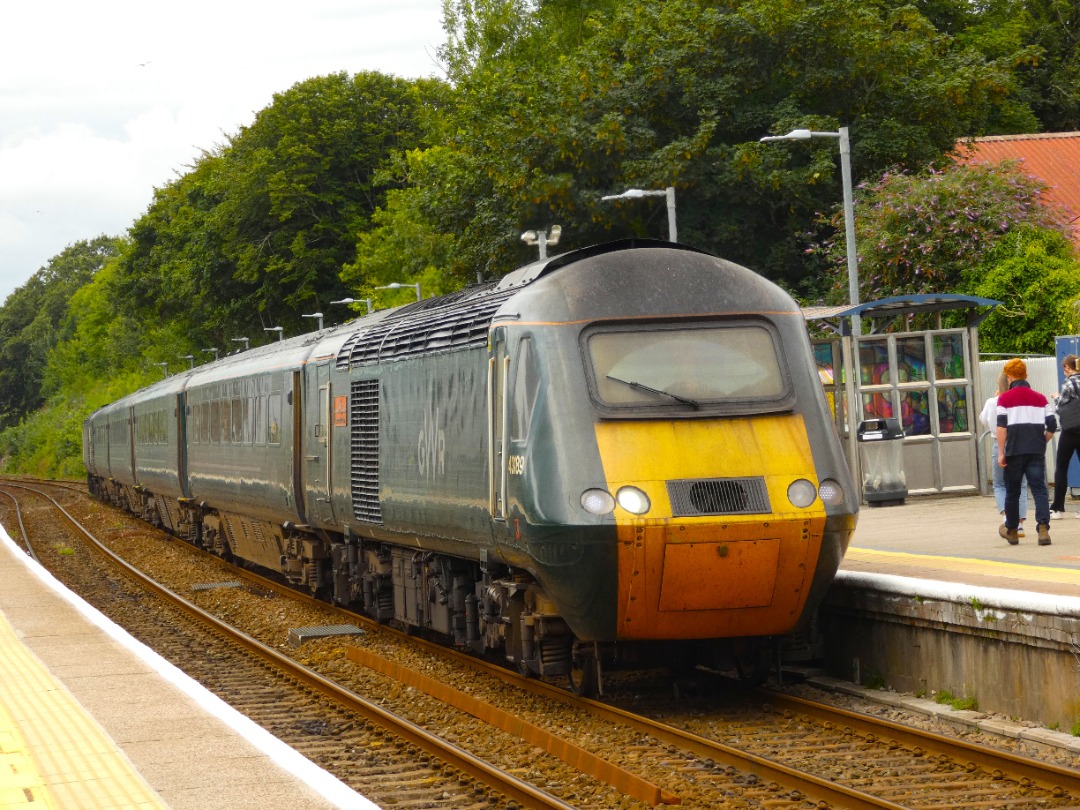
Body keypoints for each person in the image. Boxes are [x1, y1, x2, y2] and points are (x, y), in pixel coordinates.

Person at [996, 358, 1055, 545]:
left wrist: (1000, 452)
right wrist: (1041, 440)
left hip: (1014, 451)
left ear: (1009, 376)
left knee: (1013, 491)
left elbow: (1001, 428)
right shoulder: (1041, 398)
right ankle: (1043, 529)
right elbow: (1052, 425)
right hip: (1035, 451)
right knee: (1039, 490)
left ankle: (1012, 530)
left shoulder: (1004, 399)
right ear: (1026, 375)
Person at [980, 372, 1027, 536]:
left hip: (998, 443)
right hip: (1019, 443)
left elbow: (983, 420)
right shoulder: (1019, 401)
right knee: (1020, 484)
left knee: (1000, 484)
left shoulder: (993, 402)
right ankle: (1020, 523)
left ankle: (1007, 518)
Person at [1050, 354, 1080, 519]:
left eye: (1064, 369)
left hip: (1070, 432)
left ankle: (1057, 508)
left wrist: (1056, 398)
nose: (1064, 373)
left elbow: (1061, 407)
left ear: (1068, 368)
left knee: (1062, 467)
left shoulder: (1069, 383)